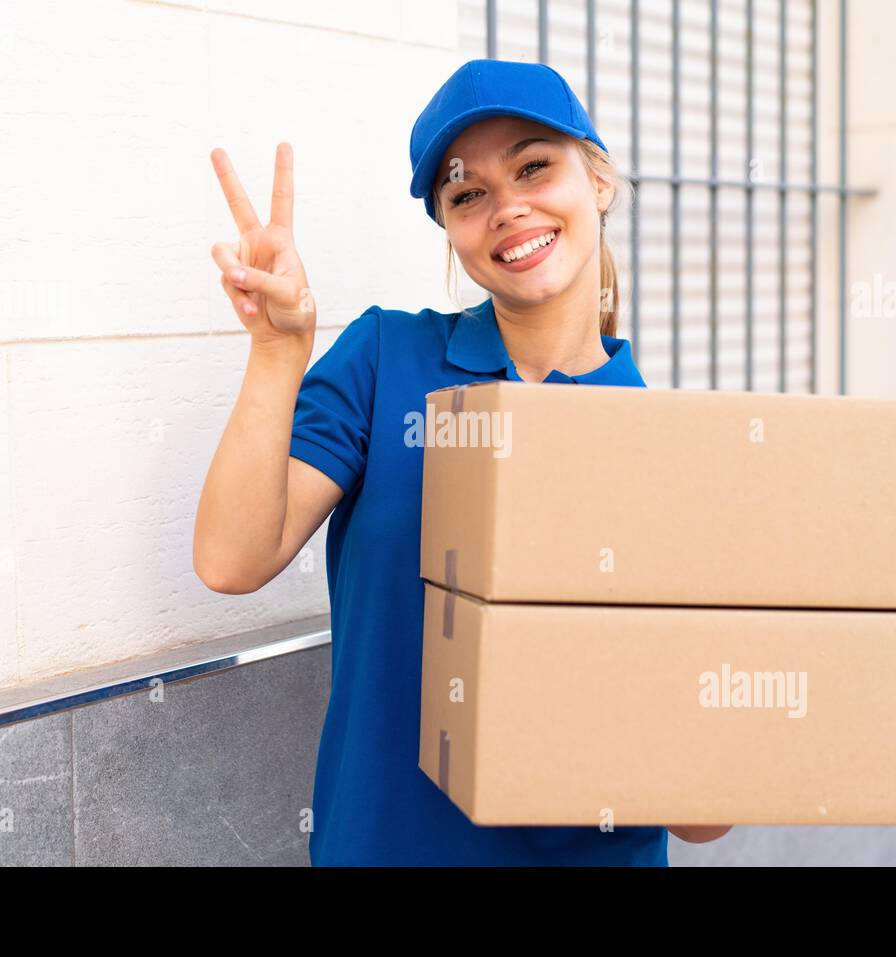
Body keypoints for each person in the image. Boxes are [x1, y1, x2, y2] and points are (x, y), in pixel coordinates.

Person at [194, 58, 732, 865]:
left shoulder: (666, 443)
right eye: (467, 193)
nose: (507, 207)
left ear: (600, 181)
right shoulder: (385, 359)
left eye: (533, 166)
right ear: (450, 227)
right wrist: (278, 349)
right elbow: (231, 560)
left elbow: (703, 818)